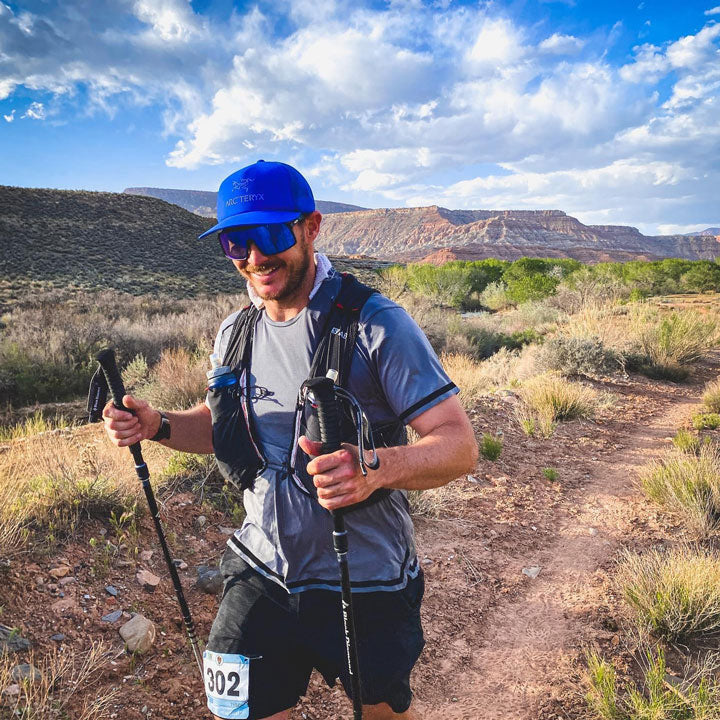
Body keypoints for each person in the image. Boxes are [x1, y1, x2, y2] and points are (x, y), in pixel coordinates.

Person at [102, 160, 477, 720]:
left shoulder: (377, 324)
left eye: (272, 234)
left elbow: (459, 444)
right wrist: (158, 425)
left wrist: (373, 468)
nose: (255, 257)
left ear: (311, 227)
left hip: (364, 574)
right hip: (263, 565)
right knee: (235, 710)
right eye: (236, 241)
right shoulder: (236, 333)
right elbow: (225, 426)